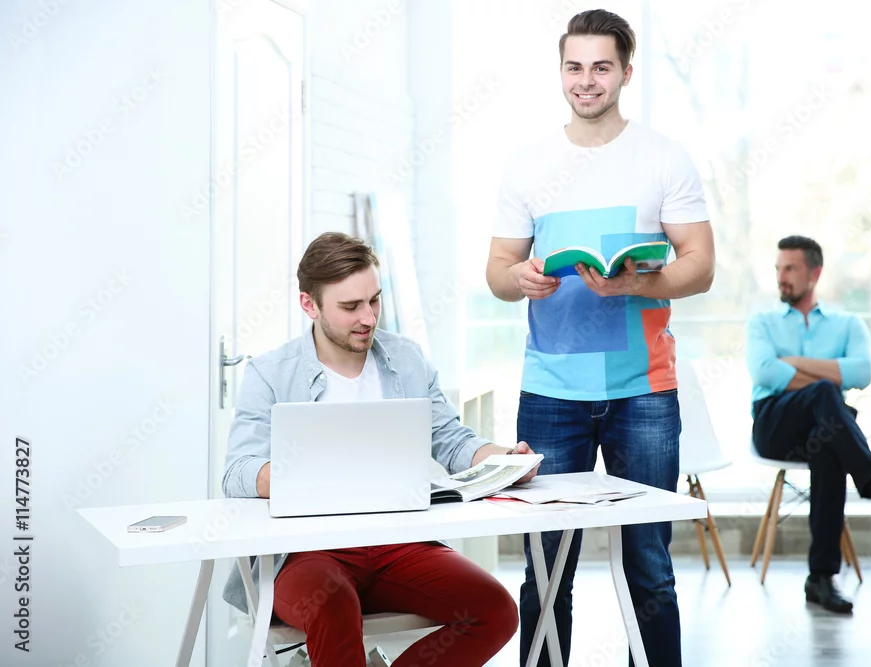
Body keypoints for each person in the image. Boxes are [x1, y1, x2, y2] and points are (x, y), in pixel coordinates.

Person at [485, 9, 715, 667]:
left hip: (644, 392)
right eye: (574, 67)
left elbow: (701, 265)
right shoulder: (528, 164)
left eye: (601, 67)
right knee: (546, 569)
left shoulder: (663, 157)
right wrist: (520, 278)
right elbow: (497, 272)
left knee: (650, 566)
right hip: (550, 393)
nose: (586, 80)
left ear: (626, 73)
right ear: (561, 71)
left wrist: (637, 284)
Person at [221, 232, 537, 667]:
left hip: (399, 544)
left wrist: (503, 461)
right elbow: (237, 471)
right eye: (351, 306)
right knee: (332, 606)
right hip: (308, 551)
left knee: (494, 611)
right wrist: (308, 475)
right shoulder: (270, 373)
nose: (368, 317)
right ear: (309, 305)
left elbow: (451, 439)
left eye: (374, 300)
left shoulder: (406, 358)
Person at [746, 235, 871, 614]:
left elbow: (862, 372)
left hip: (823, 428)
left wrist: (793, 363)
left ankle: (820, 578)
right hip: (773, 424)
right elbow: (765, 372)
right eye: (778, 269)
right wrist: (829, 376)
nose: (781, 277)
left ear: (814, 273)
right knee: (826, 395)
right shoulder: (762, 321)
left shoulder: (846, 323)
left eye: (790, 269)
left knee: (829, 441)